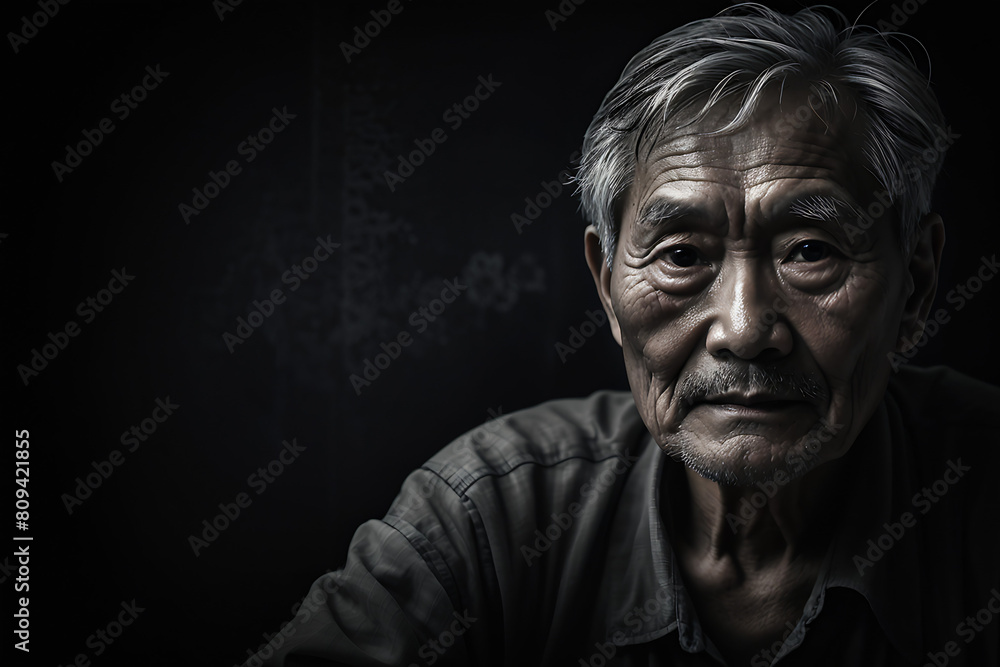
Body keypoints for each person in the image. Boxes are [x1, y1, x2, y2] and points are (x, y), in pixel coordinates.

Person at [243, 5, 999, 665]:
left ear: (918, 284)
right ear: (607, 284)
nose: (744, 330)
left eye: (811, 251)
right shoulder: (489, 519)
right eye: (680, 256)